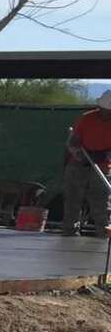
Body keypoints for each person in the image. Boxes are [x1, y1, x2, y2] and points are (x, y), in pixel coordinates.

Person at [63, 91, 111, 234]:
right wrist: (79, 155)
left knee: (101, 202)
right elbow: (72, 142)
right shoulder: (87, 118)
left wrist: (104, 155)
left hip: (102, 166)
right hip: (78, 165)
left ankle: (104, 233)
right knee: (73, 199)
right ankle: (69, 231)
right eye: (104, 109)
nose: (105, 113)